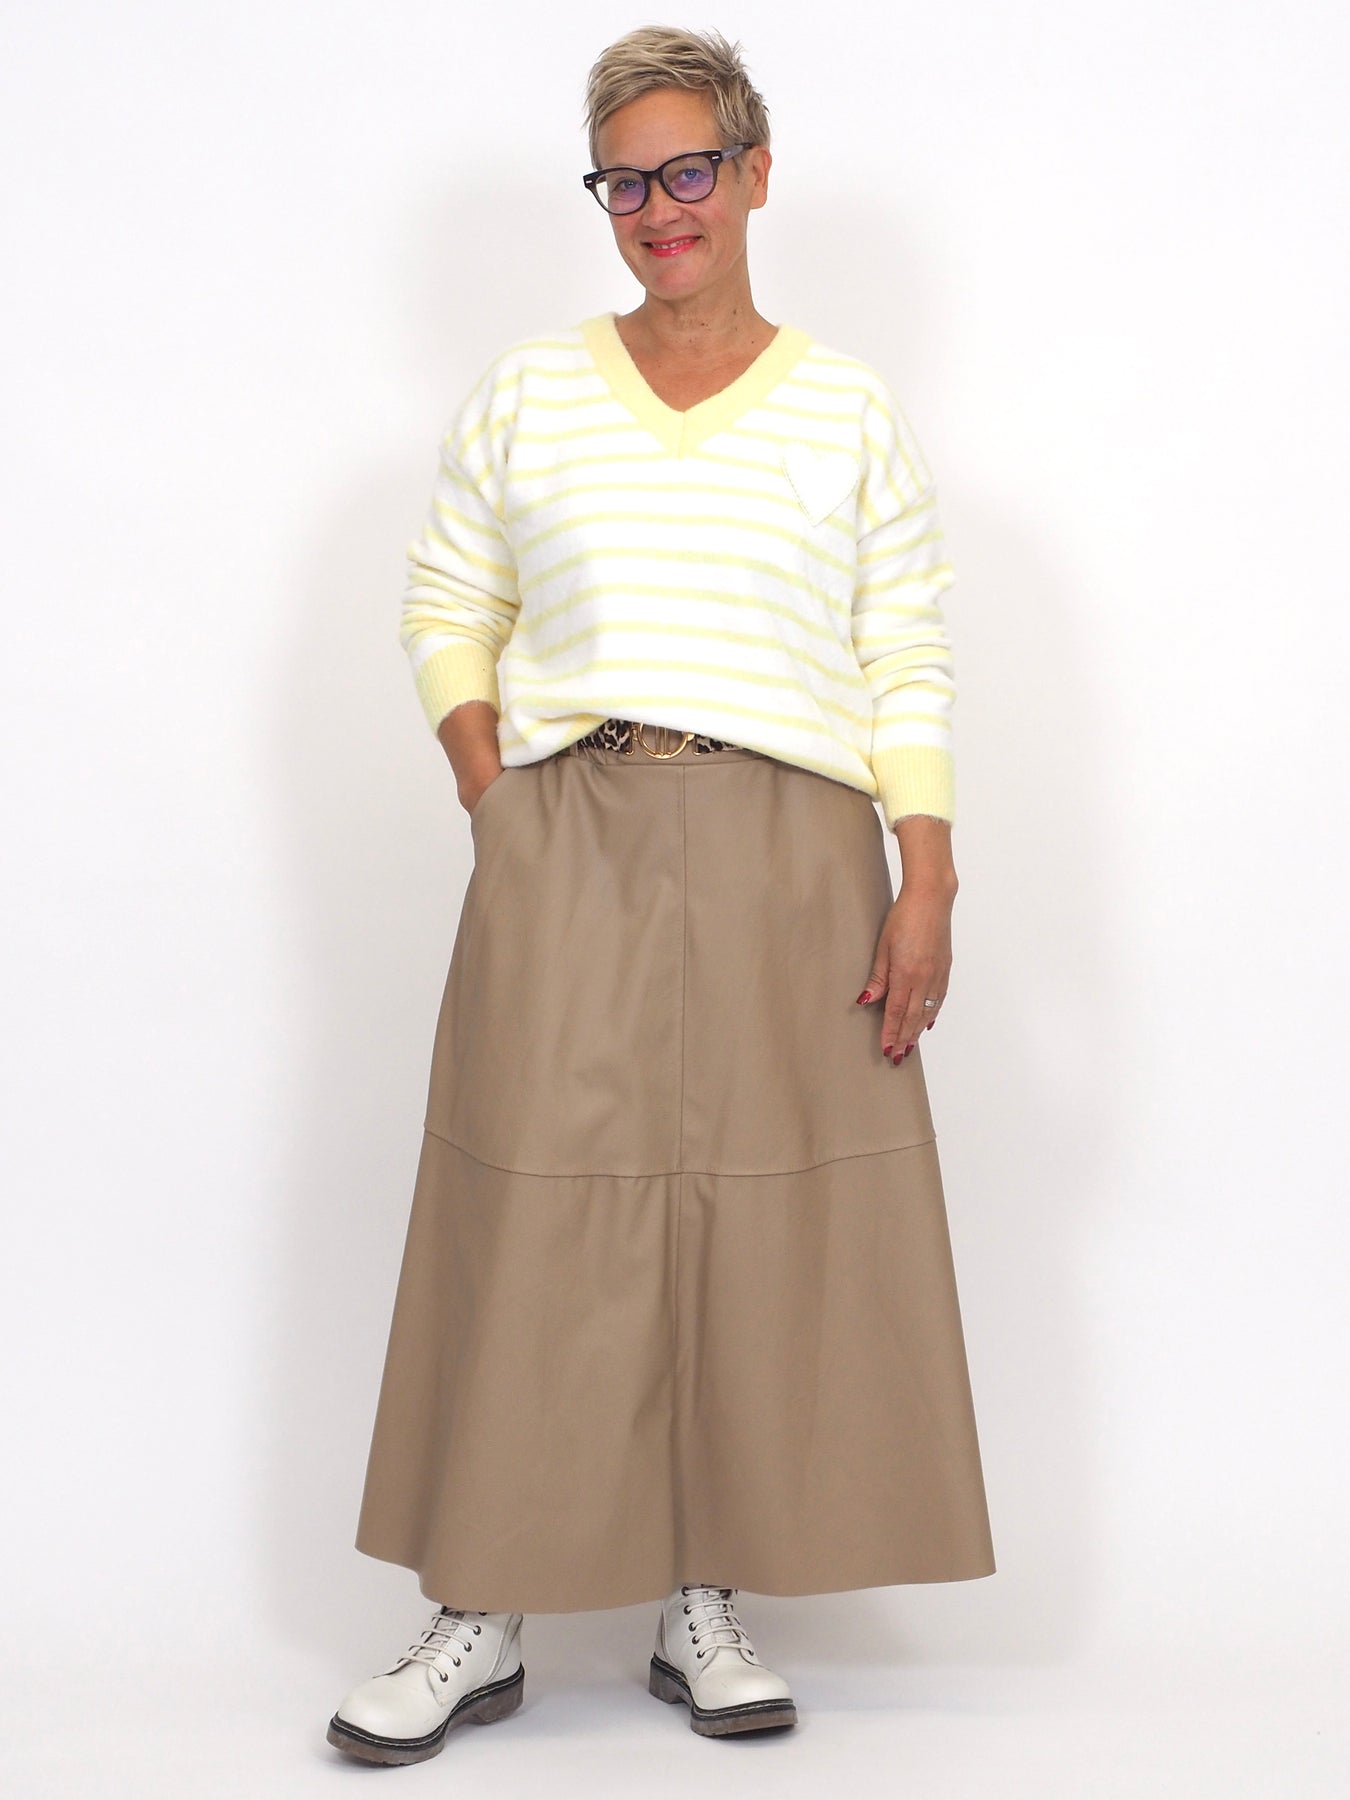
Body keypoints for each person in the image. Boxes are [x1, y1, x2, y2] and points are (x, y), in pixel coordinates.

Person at [326, 24, 995, 1765]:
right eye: (623, 181)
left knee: (756, 1226)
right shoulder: (529, 391)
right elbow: (446, 598)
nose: (657, 207)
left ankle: (703, 1598)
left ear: (755, 174)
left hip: (792, 840)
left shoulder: (845, 408)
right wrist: (494, 793)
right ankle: (479, 1608)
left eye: (689, 168)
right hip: (575, 822)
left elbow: (902, 649)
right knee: (536, 1206)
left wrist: (924, 869)